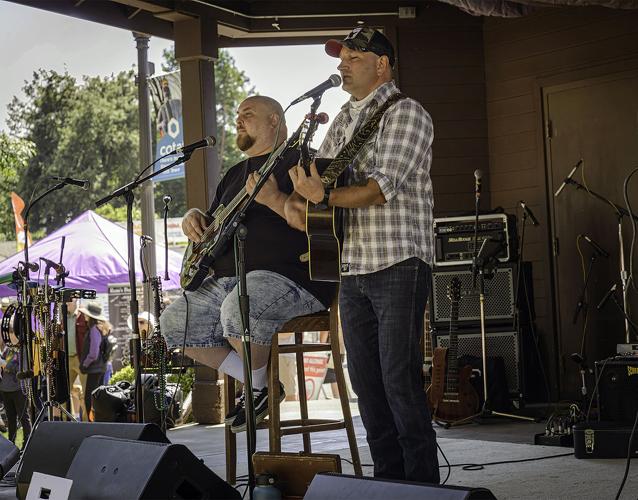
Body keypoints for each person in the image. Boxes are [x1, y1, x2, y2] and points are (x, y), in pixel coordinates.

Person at [287, 27, 440, 483]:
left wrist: (322, 198)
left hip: (397, 262)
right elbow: (321, 184)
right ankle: (389, 485)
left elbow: (379, 189)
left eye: (354, 56)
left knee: (399, 381)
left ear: (382, 64)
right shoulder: (340, 121)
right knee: (368, 390)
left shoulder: (406, 113)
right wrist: (299, 200)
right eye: (342, 57)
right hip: (351, 267)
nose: (342, 64)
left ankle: (423, 487)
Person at [160, 95, 335, 433]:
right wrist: (193, 218)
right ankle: (262, 385)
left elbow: (318, 221)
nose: (239, 120)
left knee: (238, 307)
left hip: (292, 278)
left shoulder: (302, 164)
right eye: (238, 114)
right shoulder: (234, 175)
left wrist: (272, 199)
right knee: (173, 322)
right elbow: (212, 225)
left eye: (249, 114)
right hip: (230, 279)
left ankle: (256, 389)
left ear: (275, 121)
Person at [77, 302, 108, 419]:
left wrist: (84, 364)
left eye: (86, 315)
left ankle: (93, 423)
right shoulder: (98, 329)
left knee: (90, 400)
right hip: (98, 368)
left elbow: (93, 353)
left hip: (94, 369)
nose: (84, 316)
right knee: (95, 398)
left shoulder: (94, 330)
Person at [0, 339, 31, 446]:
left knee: (24, 418)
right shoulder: (8, 349)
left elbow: (22, 370)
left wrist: (6, 366)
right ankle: (11, 445)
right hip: (5, 389)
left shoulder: (24, 350)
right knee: (10, 419)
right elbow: (2, 360)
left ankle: (27, 443)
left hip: (18, 389)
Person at [64, 299, 88, 420]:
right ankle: (66, 420)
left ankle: (86, 421)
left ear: (76, 301)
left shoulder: (83, 316)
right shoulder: (62, 317)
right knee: (64, 392)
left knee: (85, 392)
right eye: (66, 301)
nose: (67, 303)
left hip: (80, 359)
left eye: (70, 301)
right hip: (67, 359)